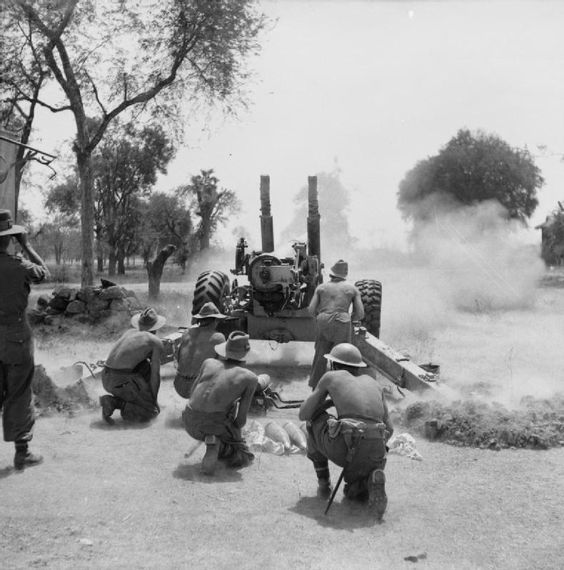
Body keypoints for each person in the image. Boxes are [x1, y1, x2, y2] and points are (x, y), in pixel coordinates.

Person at [299, 342, 394, 520]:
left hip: (348, 448)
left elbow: (304, 414)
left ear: (333, 364)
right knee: (354, 495)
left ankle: (324, 484)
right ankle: (369, 474)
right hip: (377, 450)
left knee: (313, 422)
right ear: (358, 367)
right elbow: (390, 428)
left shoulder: (331, 377)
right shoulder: (374, 383)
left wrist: (327, 403)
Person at [0, 209, 49, 470]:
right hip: (16, 336)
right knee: (18, 392)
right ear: (11, 238)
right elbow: (44, 272)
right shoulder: (19, 266)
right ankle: (22, 453)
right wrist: (26, 244)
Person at [182, 331, 259, 475]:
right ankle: (214, 444)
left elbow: (192, 392)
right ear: (245, 355)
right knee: (242, 456)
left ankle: (212, 438)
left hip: (188, 418)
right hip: (213, 425)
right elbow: (240, 421)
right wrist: (235, 437)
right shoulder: (250, 378)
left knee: (215, 421)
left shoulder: (208, 363)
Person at [99, 307, 165, 424]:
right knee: (151, 413)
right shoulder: (154, 341)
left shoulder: (129, 332)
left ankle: (127, 400)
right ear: (156, 327)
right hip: (121, 381)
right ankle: (115, 402)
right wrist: (153, 401)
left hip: (105, 377)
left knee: (144, 366)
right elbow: (155, 375)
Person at [308, 259, 364, 389]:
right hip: (342, 321)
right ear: (345, 274)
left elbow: (311, 310)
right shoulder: (352, 289)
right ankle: (342, 387)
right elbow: (360, 313)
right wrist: (351, 319)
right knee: (343, 357)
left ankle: (315, 388)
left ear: (331, 274)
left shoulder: (321, 288)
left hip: (323, 319)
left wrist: (321, 318)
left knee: (320, 356)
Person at [173, 302, 226, 398]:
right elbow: (222, 367)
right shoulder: (219, 337)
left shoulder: (186, 333)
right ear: (215, 320)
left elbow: (177, 357)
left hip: (179, 384)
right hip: (197, 388)